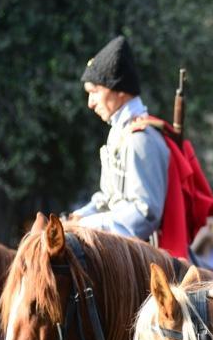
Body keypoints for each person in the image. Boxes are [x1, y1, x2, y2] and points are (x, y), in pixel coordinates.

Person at [72, 35, 170, 241]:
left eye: (95, 91)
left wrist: (85, 225)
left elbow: (145, 214)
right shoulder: (121, 133)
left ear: (120, 92)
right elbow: (110, 199)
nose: (90, 103)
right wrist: (77, 217)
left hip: (150, 253)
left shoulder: (140, 138)